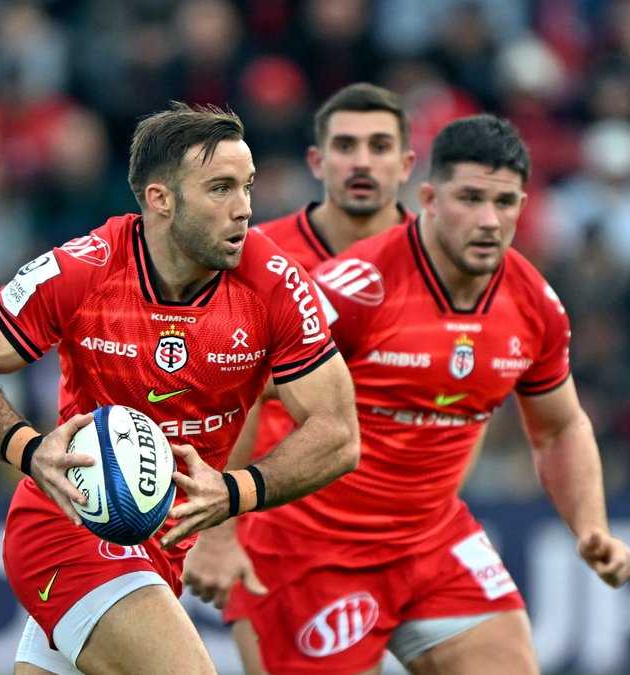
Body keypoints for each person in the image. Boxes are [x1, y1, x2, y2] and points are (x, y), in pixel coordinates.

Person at [0, 102, 360, 675]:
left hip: (160, 550)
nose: (244, 210)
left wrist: (235, 492)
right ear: (160, 199)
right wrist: (29, 448)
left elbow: (338, 433)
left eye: (247, 187)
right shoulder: (87, 269)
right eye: (221, 189)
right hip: (70, 528)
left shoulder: (274, 284)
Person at [224, 114, 630, 674]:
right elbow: (244, 386)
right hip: (310, 552)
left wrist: (591, 527)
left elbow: (560, 427)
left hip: (432, 542)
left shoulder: (535, 305)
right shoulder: (359, 290)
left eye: (506, 202)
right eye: (470, 198)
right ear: (429, 198)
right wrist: (220, 532)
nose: (489, 220)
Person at [179, 83, 417, 651]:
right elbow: (229, 400)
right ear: (317, 160)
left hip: (417, 535)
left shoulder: (445, 261)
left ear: (407, 163)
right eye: (345, 145)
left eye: (380, 146)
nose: (362, 160)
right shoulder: (253, 258)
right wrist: (217, 535)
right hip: (287, 537)